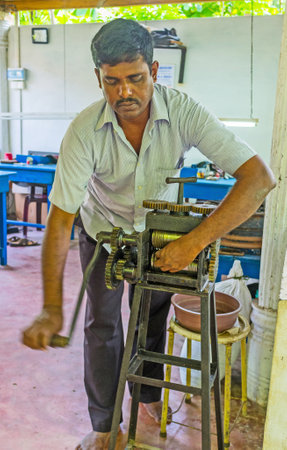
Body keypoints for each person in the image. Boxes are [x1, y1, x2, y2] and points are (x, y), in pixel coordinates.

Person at [22, 18, 275, 450]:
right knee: (102, 327)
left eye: (136, 79)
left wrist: (192, 242)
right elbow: (60, 220)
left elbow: (258, 179)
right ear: (98, 78)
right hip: (102, 232)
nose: (125, 93)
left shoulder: (183, 112)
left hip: (158, 238)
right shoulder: (84, 131)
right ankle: (105, 426)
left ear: (154, 72)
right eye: (112, 82)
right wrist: (50, 307)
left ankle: (149, 397)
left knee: (152, 319)